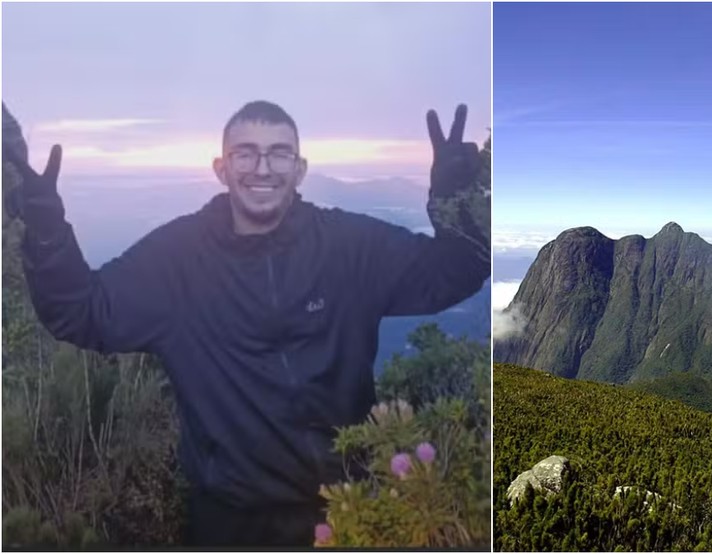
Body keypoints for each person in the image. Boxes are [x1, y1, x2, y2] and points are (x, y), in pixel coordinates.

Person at [2, 100, 489, 547]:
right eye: (245, 154)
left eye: (279, 154)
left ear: (299, 169)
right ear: (221, 168)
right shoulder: (177, 260)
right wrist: (48, 234)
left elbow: (451, 273)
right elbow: (83, 312)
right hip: (230, 524)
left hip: (350, 511)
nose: (262, 168)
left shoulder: (349, 247)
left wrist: (454, 202)